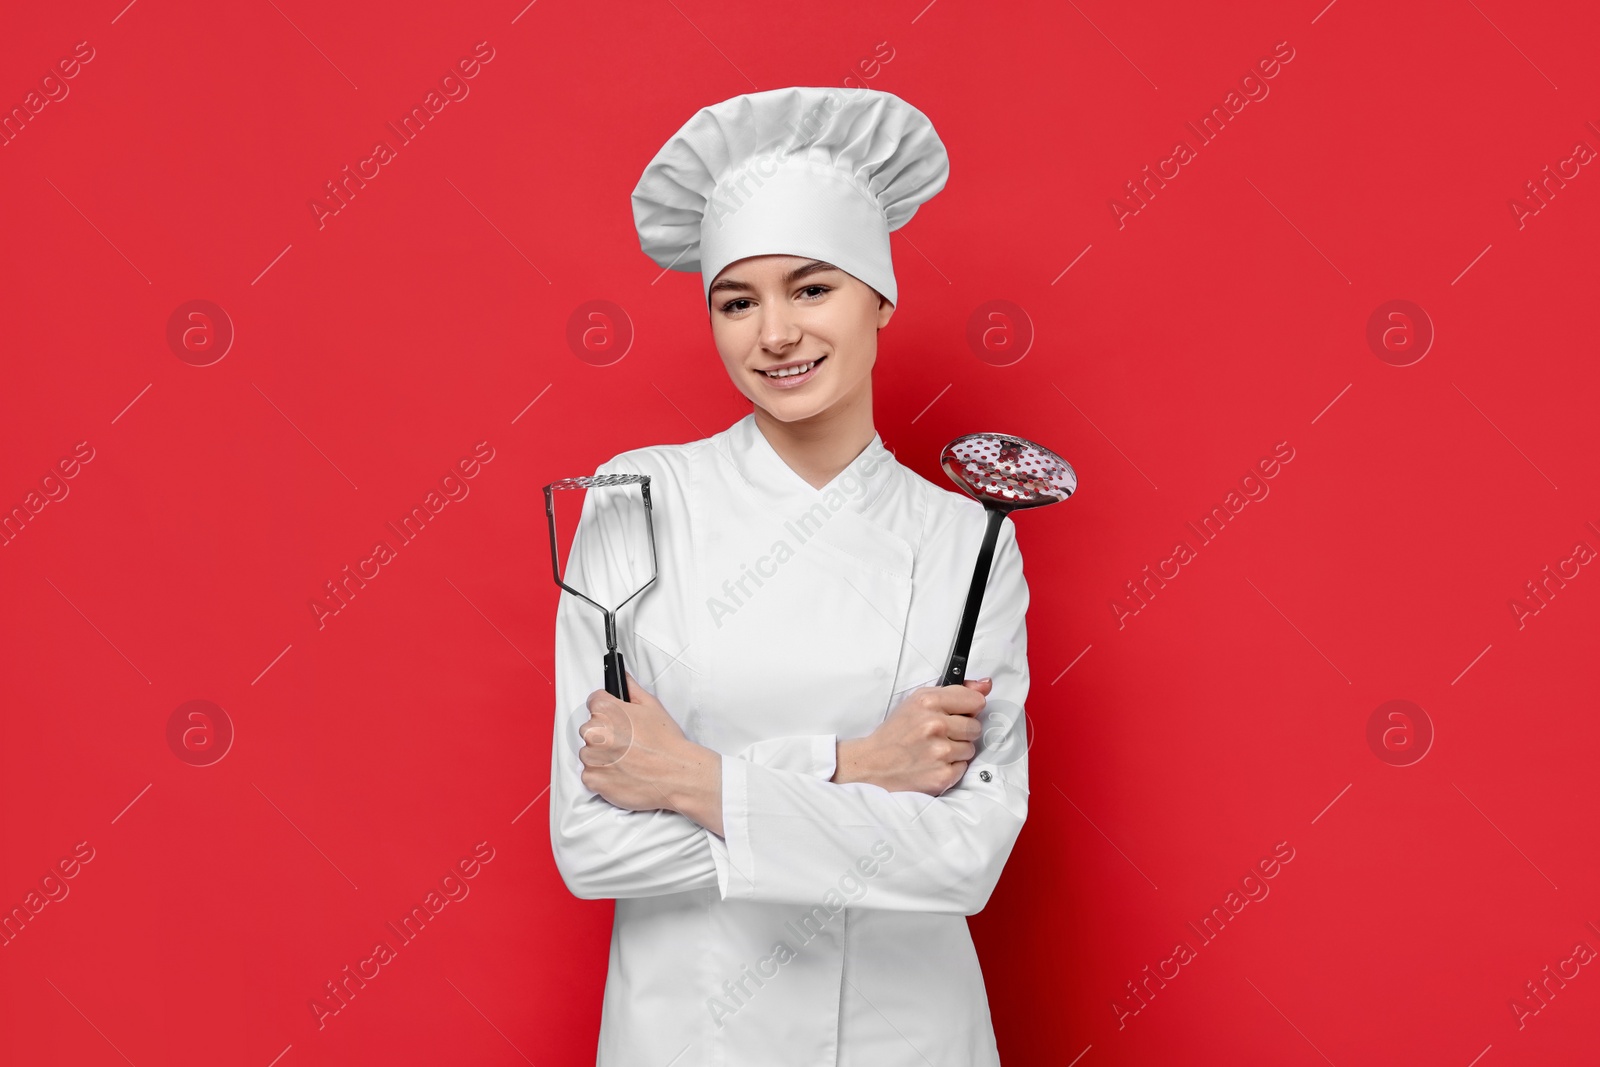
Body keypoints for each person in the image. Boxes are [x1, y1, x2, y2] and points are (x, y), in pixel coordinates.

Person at [548, 85, 1031, 1066]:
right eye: (737, 300)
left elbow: (965, 854)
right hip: (686, 1033)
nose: (773, 333)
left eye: (812, 288)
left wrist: (689, 778)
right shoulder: (632, 503)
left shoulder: (963, 538)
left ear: (880, 295)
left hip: (905, 1034)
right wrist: (856, 768)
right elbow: (591, 845)